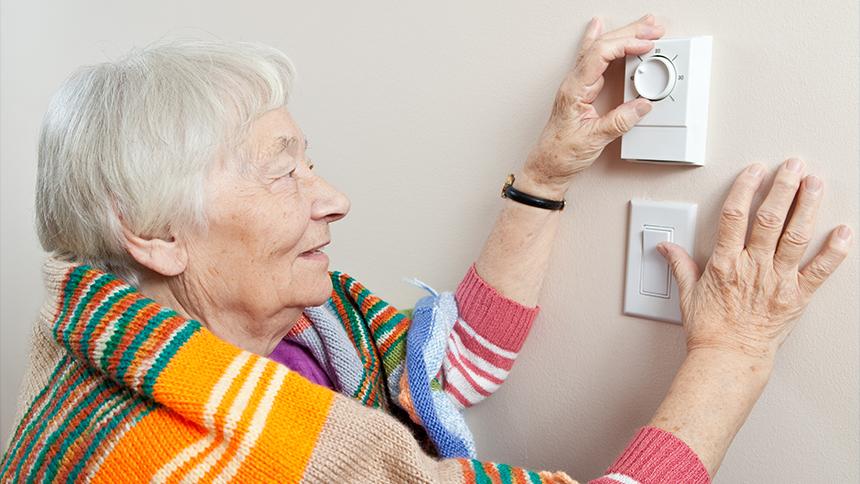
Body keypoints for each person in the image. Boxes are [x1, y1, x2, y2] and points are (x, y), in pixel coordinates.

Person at [0, 13, 851, 483]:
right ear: (153, 235)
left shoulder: (290, 336)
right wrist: (734, 354)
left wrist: (545, 176)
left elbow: (444, 371)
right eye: (283, 173)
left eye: (311, 162)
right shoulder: (186, 461)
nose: (333, 199)